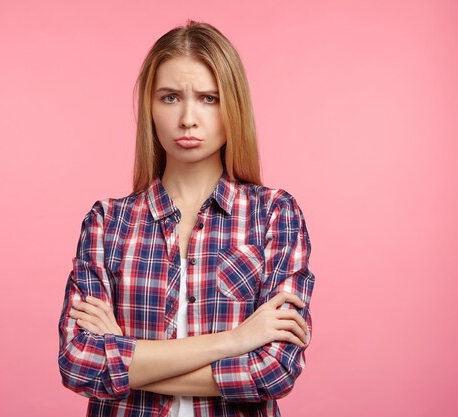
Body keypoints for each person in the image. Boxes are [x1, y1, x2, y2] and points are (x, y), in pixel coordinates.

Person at [58, 19, 315, 417]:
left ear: (234, 105)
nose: (188, 118)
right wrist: (236, 340)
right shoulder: (107, 223)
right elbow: (80, 362)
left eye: (209, 98)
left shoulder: (274, 215)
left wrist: (124, 355)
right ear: (150, 106)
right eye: (171, 97)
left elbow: (274, 371)